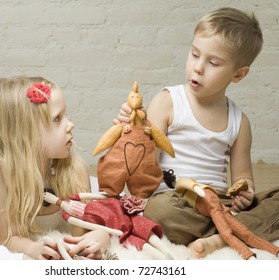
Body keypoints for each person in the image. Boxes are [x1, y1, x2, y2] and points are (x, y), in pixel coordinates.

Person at [115, 7, 279, 258]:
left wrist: (244, 192)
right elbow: (143, 164)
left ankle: (219, 239)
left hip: (220, 203)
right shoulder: (169, 101)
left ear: (238, 74)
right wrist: (134, 129)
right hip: (178, 202)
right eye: (194, 54)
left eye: (213, 62)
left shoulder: (239, 122)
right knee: (159, 212)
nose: (198, 67)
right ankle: (233, 231)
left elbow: (243, 180)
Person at [0, 76, 110, 260]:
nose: (70, 124)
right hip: (6, 164)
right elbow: (9, 238)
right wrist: (34, 249)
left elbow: (91, 228)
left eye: (65, 115)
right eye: (57, 118)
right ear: (26, 134)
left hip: (32, 161)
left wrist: (99, 237)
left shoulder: (75, 169)